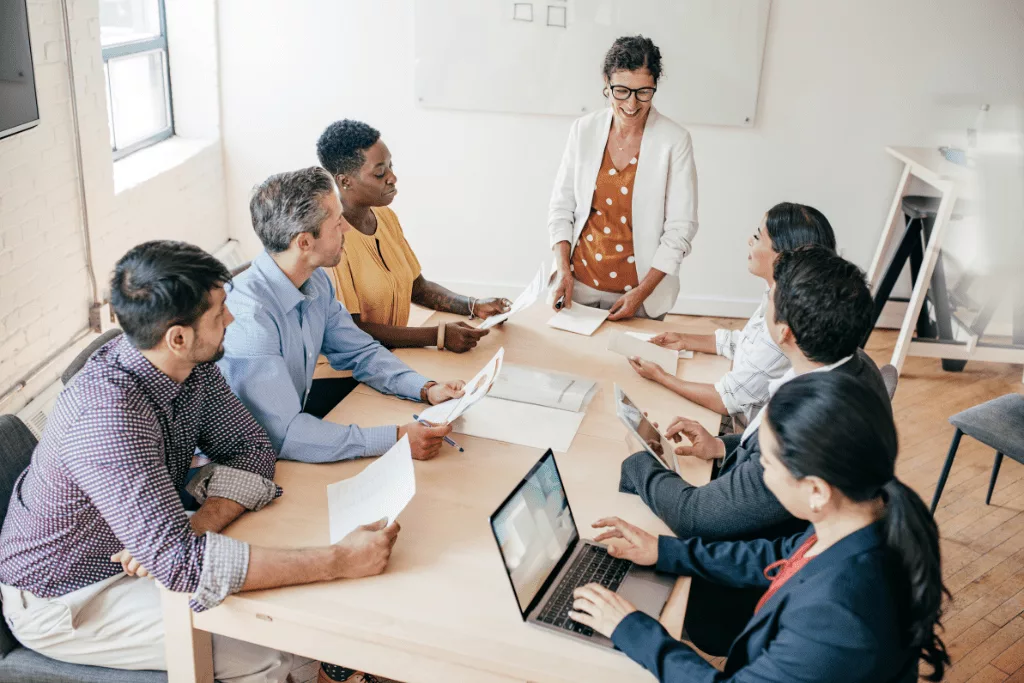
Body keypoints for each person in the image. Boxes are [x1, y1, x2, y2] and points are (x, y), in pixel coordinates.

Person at [0, 242, 404, 681]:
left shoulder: (191, 363)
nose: (230, 319)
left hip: (154, 548)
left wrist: (198, 526)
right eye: (218, 314)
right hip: (69, 595)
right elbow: (181, 567)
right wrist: (338, 560)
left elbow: (251, 448)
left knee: (293, 595)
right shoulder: (110, 417)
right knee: (269, 648)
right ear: (178, 336)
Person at [570, 372, 950, 683]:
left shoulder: (839, 619)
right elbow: (782, 555)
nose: (760, 473)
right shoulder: (859, 513)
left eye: (765, 464)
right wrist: (665, 551)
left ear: (816, 490)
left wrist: (630, 627)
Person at [619, 246, 888, 654]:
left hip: (740, 596)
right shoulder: (855, 365)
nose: (764, 302)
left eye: (770, 296)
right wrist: (723, 447)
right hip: (781, 550)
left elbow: (696, 517)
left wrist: (639, 459)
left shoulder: (813, 427)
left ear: (785, 333)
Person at [219, 167, 466, 464]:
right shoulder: (251, 320)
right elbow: (284, 435)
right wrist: (395, 438)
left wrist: (426, 389)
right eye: (337, 223)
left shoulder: (315, 280)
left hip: (288, 433)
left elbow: (359, 351)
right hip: (241, 461)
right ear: (304, 243)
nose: (347, 228)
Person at [627, 202, 836, 431]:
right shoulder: (777, 295)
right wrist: (685, 340)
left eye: (758, 236)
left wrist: (661, 376)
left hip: (739, 431)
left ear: (782, 255)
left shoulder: (784, 326)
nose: (749, 240)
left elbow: (727, 400)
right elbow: (744, 343)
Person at [316, 119, 511, 353]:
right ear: (345, 181)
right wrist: (437, 335)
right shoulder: (330, 238)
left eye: (390, 166)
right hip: (345, 371)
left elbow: (416, 288)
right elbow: (351, 329)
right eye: (380, 173)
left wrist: (473, 305)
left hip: (389, 357)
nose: (392, 177)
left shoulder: (386, 217)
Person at [548, 35, 698, 321]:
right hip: (577, 286)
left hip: (639, 295)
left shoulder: (674, 141)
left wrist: (640, 294)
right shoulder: (584, 129)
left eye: (644, 92)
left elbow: (681, 229)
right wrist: (564, 273)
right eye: (621, 91)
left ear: (655, 86)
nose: (632, 104)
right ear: (606, 82)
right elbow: (561, 207)